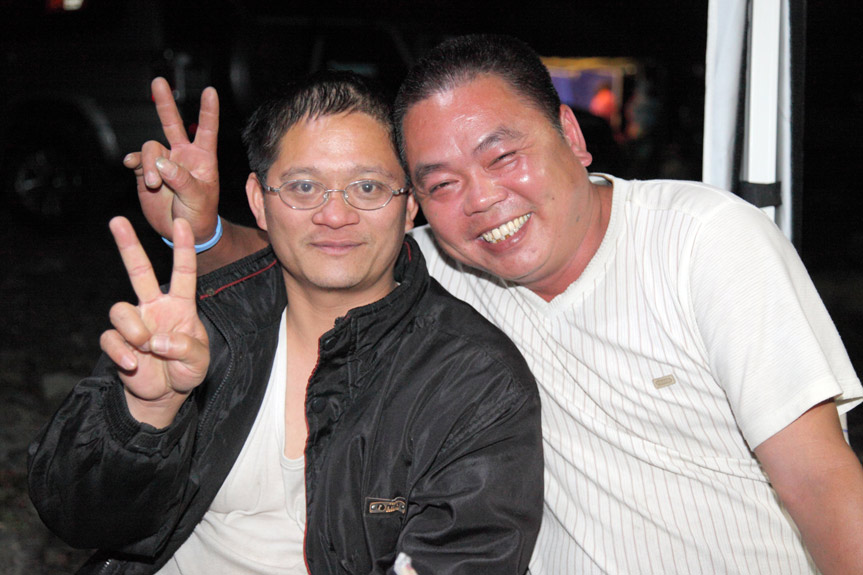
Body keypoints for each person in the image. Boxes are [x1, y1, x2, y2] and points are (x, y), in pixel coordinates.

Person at [125, 35, 863, 574]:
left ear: (570, 135)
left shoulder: (702, 240)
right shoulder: (447, 268)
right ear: (416, 205)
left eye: (503, 156)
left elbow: (821, 481)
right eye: (442, 183)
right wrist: (203, 229)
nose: (480, 200)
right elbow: (321, 251)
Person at [27, 71, 544, 575]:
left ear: (408, 206)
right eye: (304, 186)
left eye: (367, 187)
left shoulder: (473, 379)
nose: (335, 215)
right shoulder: (196, 326)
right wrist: (145, 414)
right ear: (259, 201)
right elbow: (77, 517)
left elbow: (468, 553)